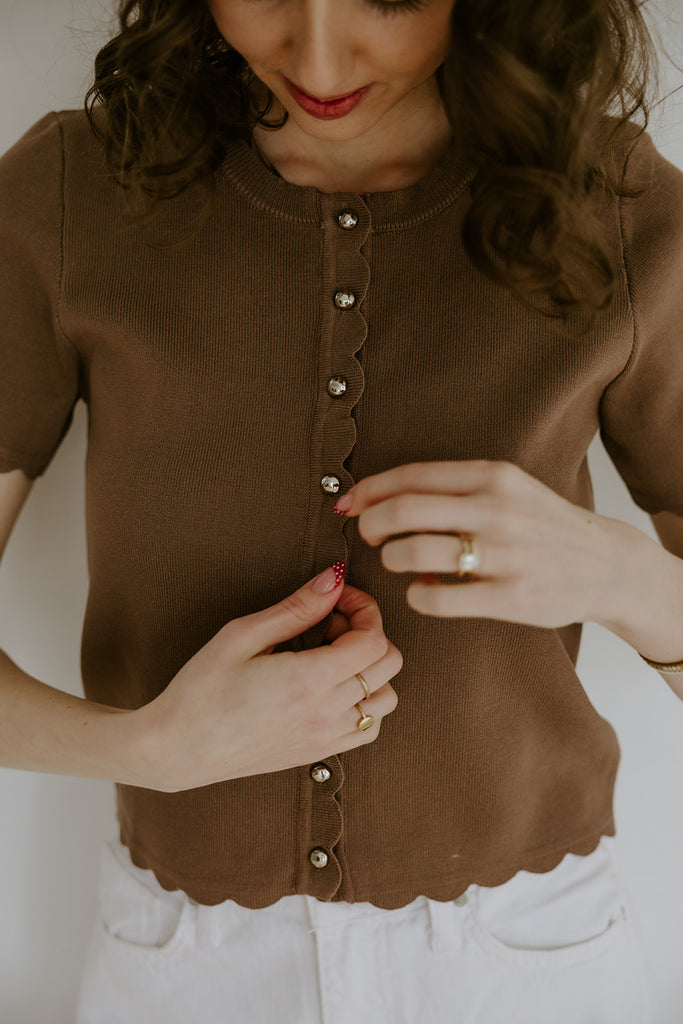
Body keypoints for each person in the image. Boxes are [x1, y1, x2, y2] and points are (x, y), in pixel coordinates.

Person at [0, 0, 682, 1020]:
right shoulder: (69, 192)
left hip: (527, 963)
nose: (314, 55)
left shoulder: (619, 208)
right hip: (184, 962)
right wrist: (153, 747)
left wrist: (621, 577)